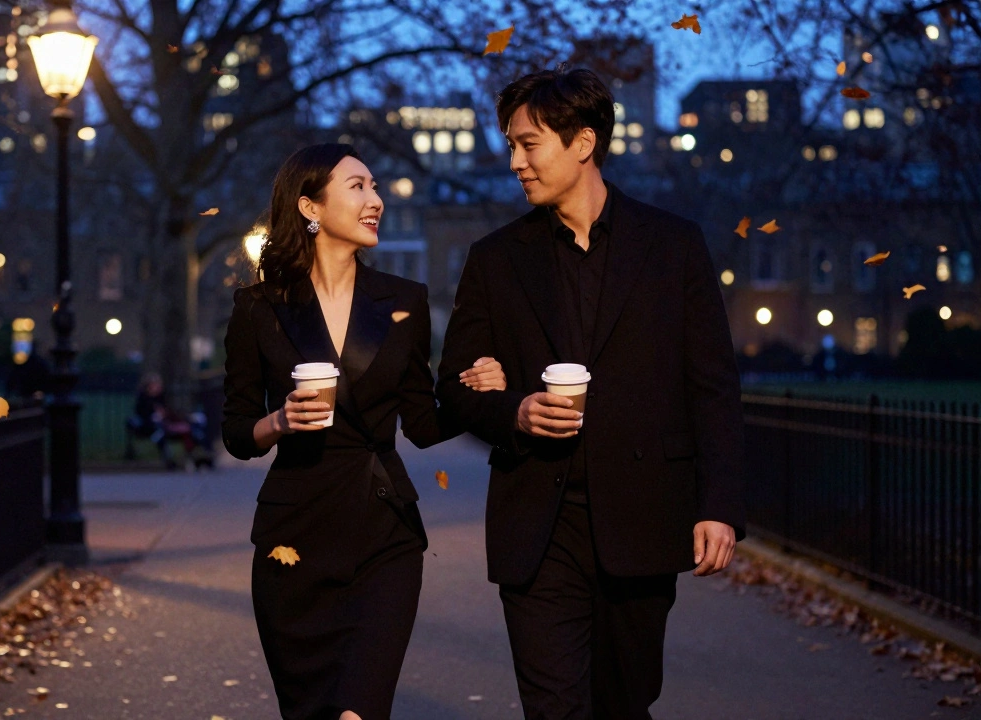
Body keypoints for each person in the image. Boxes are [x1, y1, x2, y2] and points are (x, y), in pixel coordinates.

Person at [436, 65, 746, 719]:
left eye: (529, 144)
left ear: (582, 142)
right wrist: (513, 408)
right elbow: (454, 391)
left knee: (624, 704)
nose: (515, 161)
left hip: (642, 520)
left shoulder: (673, 246)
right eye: (512, 145)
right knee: (555, 710)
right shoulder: (495, 259)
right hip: (537, 528)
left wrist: (718, 505)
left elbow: (712, 385)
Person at [222, 143, 507, 720]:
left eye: (375, 187)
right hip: (292, 542)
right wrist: (278, 422)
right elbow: (234, 431)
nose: (375, 200)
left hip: (384, 537)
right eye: (358, 187)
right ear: (310, 206)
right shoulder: (259, 308)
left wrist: (476, 392)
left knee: (359, 710)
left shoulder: (403, 301)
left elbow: (423, 424)